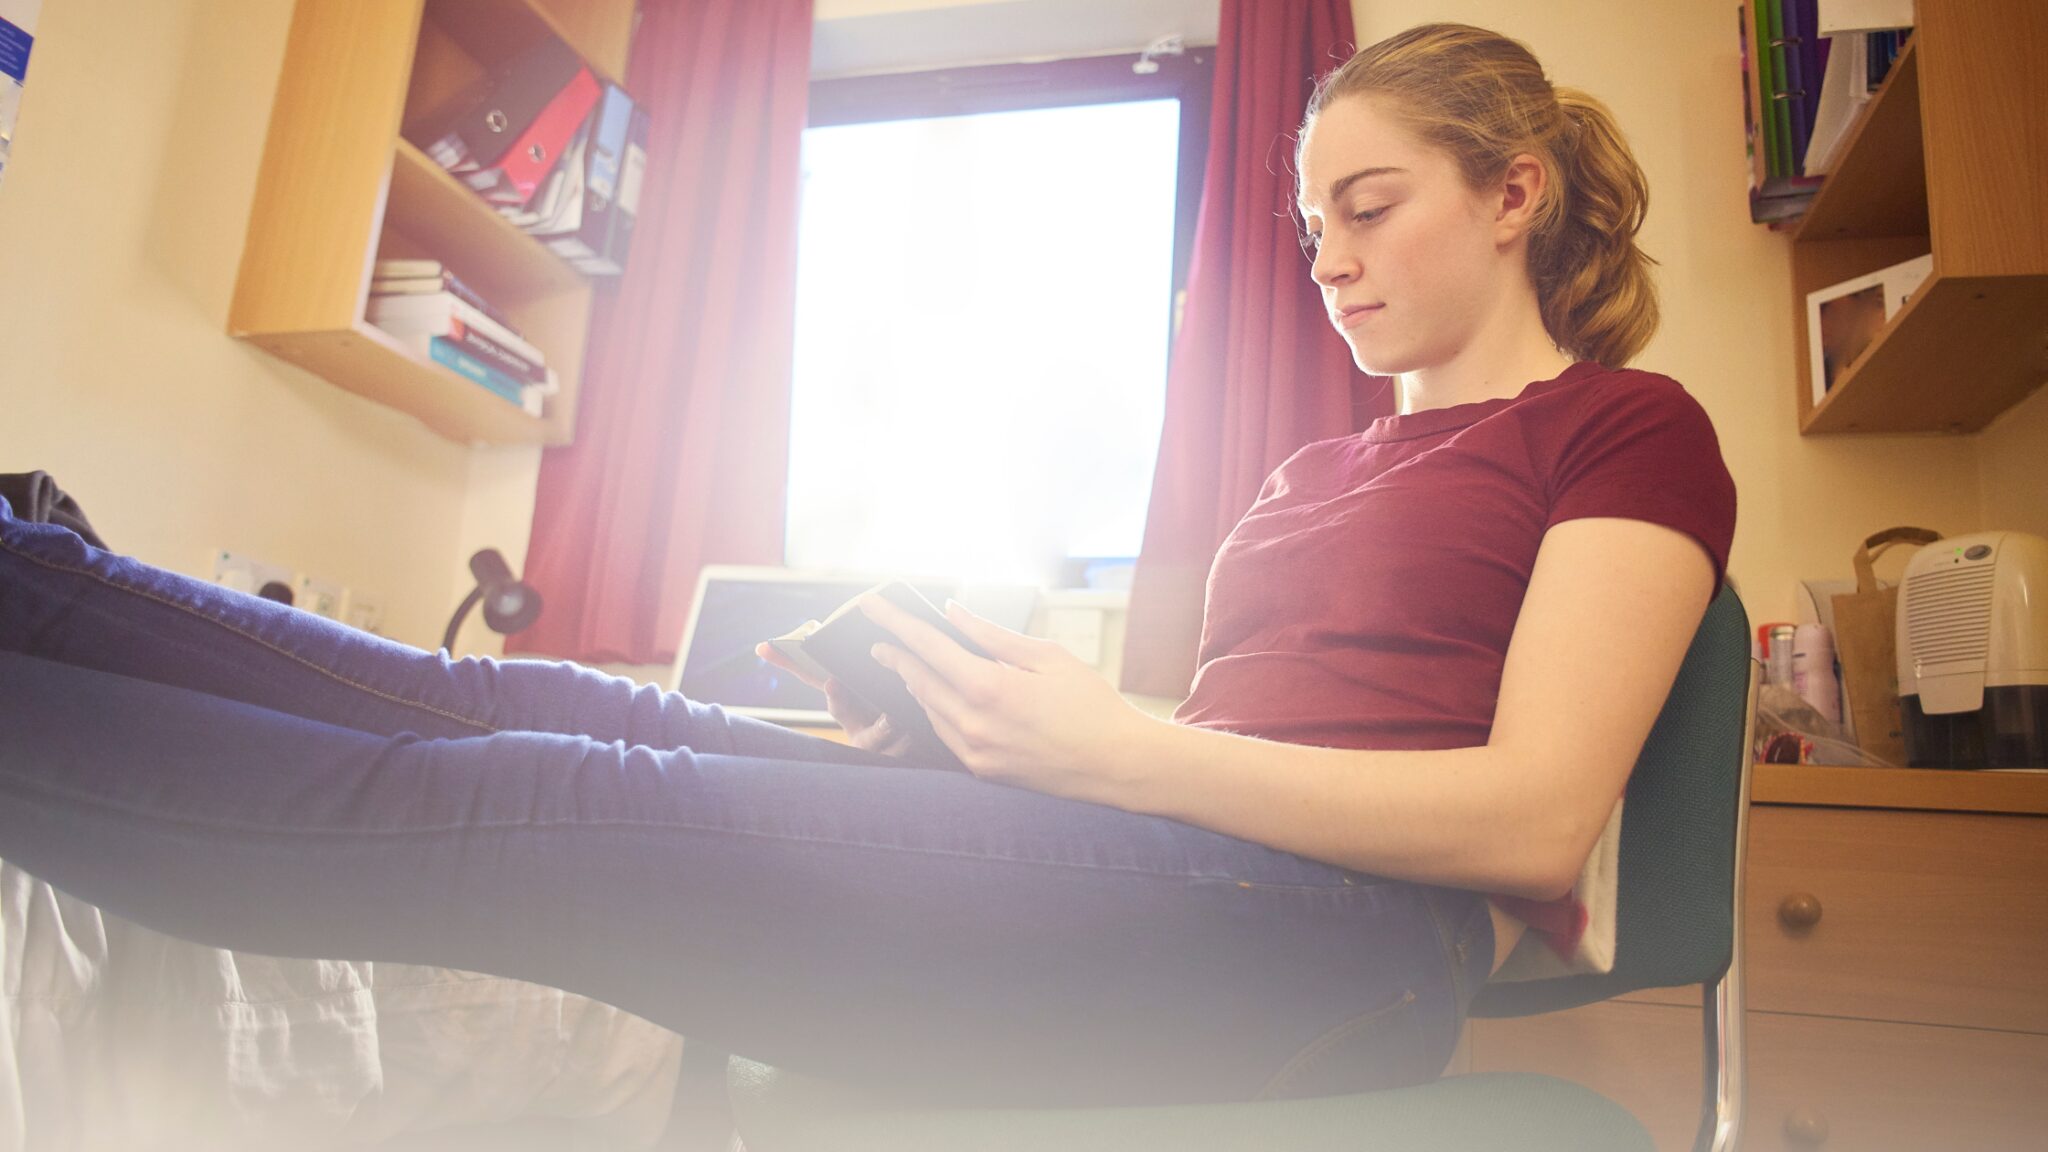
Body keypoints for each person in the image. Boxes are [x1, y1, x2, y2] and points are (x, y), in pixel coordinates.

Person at [0, 22, 1734, 1113]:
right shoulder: (1314, 466)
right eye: (1305, 228)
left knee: (543, 795)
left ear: (1515, 195)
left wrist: (1109, 751)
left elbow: (1528, 822)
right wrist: (972, 739)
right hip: (1186, 870)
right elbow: (1227, 769)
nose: (1329, 259)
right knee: (513, 691)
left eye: (1368, 207)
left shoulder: (1625, 430)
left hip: (1348, 953)